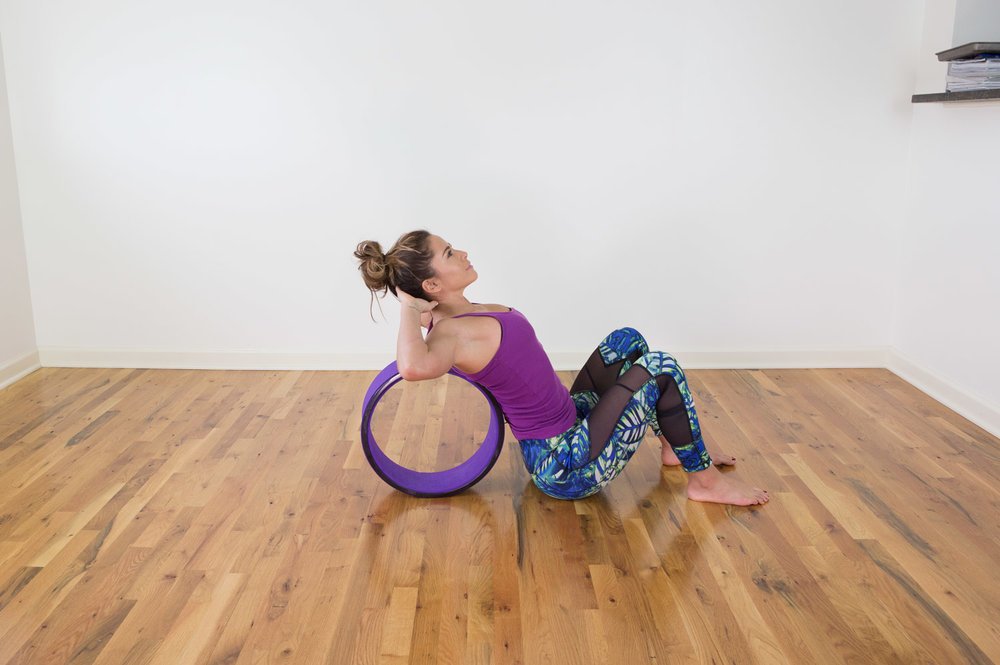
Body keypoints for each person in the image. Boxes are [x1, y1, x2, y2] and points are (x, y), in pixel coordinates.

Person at [354, 230, 769, 506]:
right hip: (564, 464)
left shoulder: (458, 313)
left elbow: (437, 327)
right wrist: (408, 308)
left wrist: (423, 308)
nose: (461, 252)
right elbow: (412, 367)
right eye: (449, 253)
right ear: (431, 285)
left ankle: (674, 447)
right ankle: (705, 482)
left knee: (626, 341)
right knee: (661, 367)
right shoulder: (450, 335)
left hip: (573, 420)